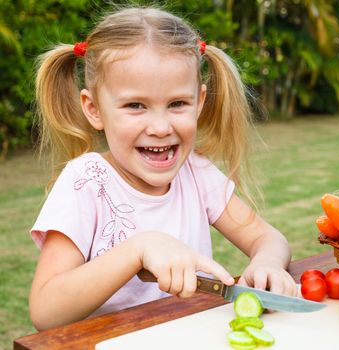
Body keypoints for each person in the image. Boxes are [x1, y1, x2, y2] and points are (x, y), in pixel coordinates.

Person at [29, 6, 297, 331]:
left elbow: (269, 238)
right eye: (135, 106)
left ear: (199, 101)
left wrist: (267, 261)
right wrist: (138, 250)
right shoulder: (85, 183)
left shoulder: (196, 174)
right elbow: (45, 311)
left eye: (176, 104)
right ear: (94, 109)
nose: (159, 127)